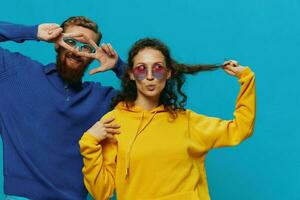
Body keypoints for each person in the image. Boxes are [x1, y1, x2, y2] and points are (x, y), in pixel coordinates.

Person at [79, 38, 256, 200]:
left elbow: (241, 128)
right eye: (141, 69)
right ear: (131, 74)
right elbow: (101, 192)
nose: (150, 76)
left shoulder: (186, 121)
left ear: (168, 73)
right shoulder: (114, 121)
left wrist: (246, 78)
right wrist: (89, 143)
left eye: (158, 68)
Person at [0, 16, 126, 199]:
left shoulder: (103, 99)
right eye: (71, 41)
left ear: (93, 56)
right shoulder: (15, 73)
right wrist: (34, 32)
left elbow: (155, 91)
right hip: (20, 196)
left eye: (86, 47)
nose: (77, 51)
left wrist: (118, 66)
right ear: (56, 43)